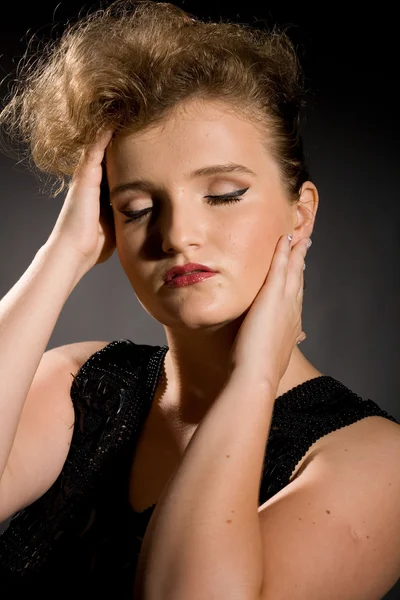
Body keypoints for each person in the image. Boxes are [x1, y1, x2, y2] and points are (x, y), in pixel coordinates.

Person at [0, 1, 399, 598]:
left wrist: (253, 380)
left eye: (224, 193)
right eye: (136, 208)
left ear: (301, 211)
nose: (178, 234)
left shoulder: (378, 463)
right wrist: (65, 253)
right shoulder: (83, 384)